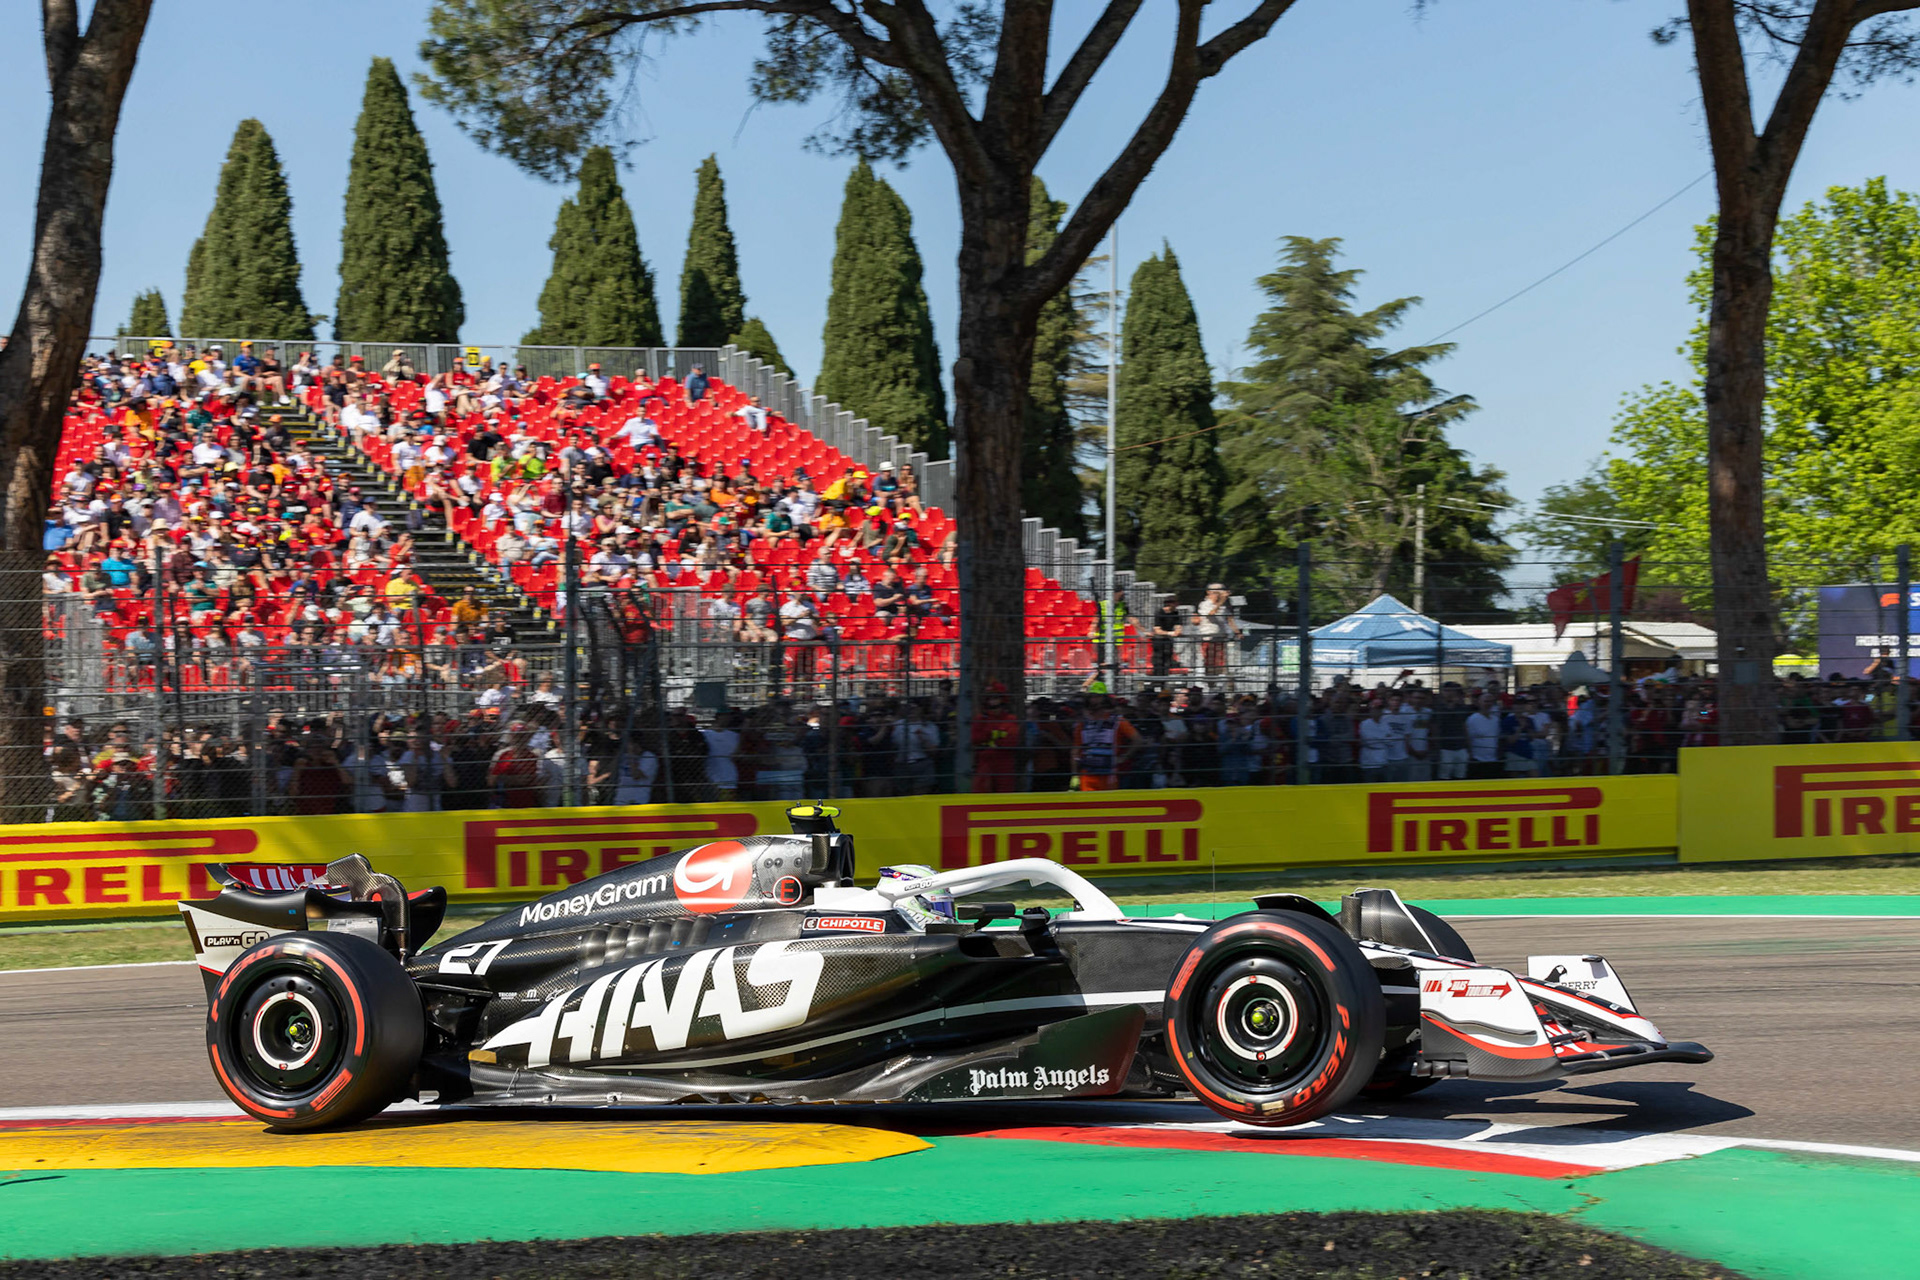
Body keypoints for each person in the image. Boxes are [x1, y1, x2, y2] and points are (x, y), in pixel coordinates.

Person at [1074, 697, 1138, 792]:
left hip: (1109, 772)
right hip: (1087, 774)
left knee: (1107, 803)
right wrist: (1075, 775)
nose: (1092, 711)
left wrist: (1123, 757)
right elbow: (1076, 750)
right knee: (1089, 804)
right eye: (1090, 707)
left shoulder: (1118, 721)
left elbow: (1137, 740)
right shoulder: (1083, 724)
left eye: (1096, 707)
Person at [1193, 584, 1241, 679]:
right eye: (1216, 592)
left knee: (1221, 662)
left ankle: (1219, 681)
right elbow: (1211, 614)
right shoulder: (1205, 604)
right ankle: (1209, 681)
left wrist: (1237, 632)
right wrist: (1221, 601)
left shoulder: (1223, 606)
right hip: (1209, 637)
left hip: (1220, 638)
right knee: (1209, 662)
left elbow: (1229, 619)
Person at [1465, 695, 1505, 780]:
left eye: (1490, 701)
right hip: (1478, 760)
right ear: (1479, 703)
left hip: (1493, 760)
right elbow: (1468, 738)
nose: (1488, 704)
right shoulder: (1472, 719)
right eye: (1486, 701)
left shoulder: (1496, 720)